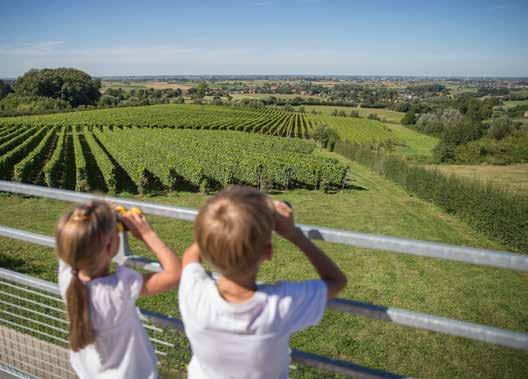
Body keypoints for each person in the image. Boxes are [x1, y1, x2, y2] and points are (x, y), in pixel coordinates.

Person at [179, 186, 347, 379]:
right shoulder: (280, 305)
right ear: (268, 252)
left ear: (206, 251)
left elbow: (190, 257)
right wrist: (293, 234)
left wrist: (216, 229)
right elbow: (336, 281)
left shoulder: (194, 293)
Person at [56, 201, 181, 379]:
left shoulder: (68, 279)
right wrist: (146, 233)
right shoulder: (119, 289)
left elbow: (72, 239)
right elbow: (174, 274)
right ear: (109, 247)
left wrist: (95, 215)